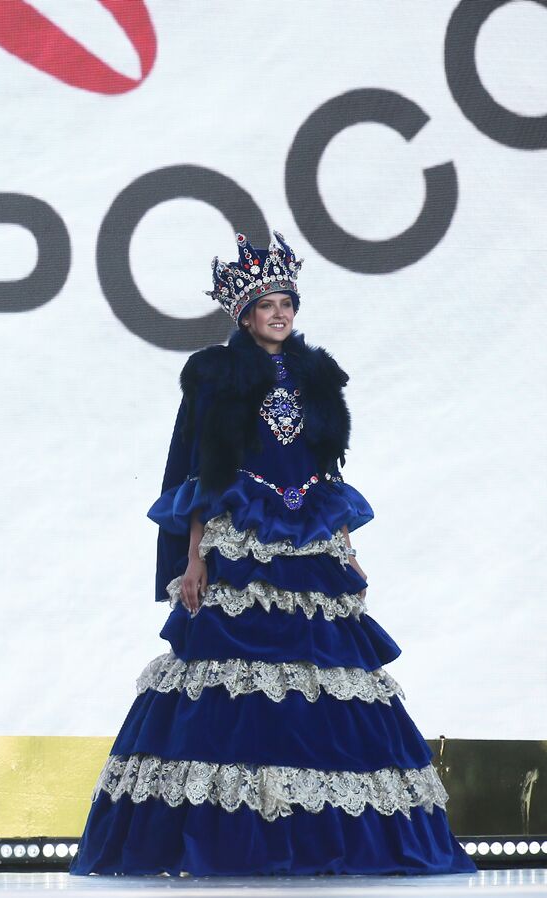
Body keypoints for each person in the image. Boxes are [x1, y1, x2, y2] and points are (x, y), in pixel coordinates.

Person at [70, 232, 474, 876]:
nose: (279, 312)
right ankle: (229, 836)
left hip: (311, 534)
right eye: (265, 304)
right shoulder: (215, 373)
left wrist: (346, 546)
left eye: (287, 301)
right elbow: (203, 467)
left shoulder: (317, 372)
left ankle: (328, 839)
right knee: (226, 676)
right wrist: (194, 556)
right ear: (244, 314)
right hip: (240, 533)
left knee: (328, 681)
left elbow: (326, 464)